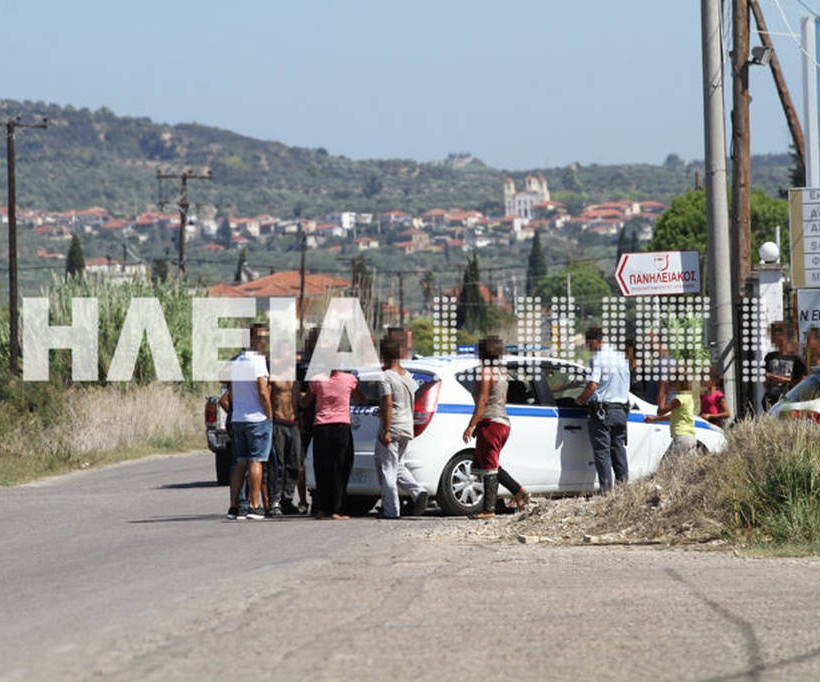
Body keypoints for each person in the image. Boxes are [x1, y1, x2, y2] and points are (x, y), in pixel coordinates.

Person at [462, 336, 529, 520]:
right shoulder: (502, 372)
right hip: (502, 422)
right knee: (489, 463)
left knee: (489, 466)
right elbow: (503, 400)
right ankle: (518, 491)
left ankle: (489, 509)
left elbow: (482, 400)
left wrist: (471, 425)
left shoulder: (485, 372)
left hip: (491, 422)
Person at [374, 337, 428, 519]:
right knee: (399, 467)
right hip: (407, 426)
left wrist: (386, 429)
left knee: (388, 469)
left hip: (393, 426)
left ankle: (391, 511)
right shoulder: (408, 376)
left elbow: (387, 404)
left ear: (383, 356)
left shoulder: (386, 377)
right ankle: (418, 491)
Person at [224, 323, 273, 520]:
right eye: (261, 338)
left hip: (239, 418)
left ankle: (234, 506)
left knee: (240, 462)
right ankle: (254, 505)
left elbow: (223, 380)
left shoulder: (236, 361)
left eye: (266, 338)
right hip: (256, 417)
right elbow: (262, 390)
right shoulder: (258, 360)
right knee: (256, 460)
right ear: (251, 340)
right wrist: (269, 414)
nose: (264, 342)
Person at [302, 368, 364, 520]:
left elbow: (305, 402)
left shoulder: (317, 379)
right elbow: (361, 399)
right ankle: (337, 509)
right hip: (341, 426)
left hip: (321, 427)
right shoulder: (349, 379)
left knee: (322, 467)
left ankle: (321, 508)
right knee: (341, 468)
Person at [575, 327, 631, 494]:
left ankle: (606, 491)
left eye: (588, 343)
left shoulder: (598, 358)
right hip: (621, 411)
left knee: (602, 452)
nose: (588, 347)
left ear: (594, 340)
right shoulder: (621, 357)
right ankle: (623, 490)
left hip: (602, 413)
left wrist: (580, 400)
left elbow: (593, 385)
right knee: (618, 449)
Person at [264, 378, 303, 517]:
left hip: (294, 423)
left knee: (295, 464)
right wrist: (269, 420)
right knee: (277, 465)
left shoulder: (297, 380)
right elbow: (266, 398)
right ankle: (274, 502)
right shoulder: (273, 379)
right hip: (278, 422)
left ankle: (287, 499)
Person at [645, 379, 697, 458]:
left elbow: (660, 411)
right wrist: (655, 419)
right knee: (685, 468)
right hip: (690, 438)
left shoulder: (679, 399)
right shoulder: (688, 397)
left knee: (665, 466)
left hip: (681, 438)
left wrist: (663, 390)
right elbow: (673, 416)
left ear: (679, 382)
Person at [762, 321, 806, 411]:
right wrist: (768, 379)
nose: (772, 338)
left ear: (783, 335)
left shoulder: (795, 358)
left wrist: (782, 379)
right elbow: (766, 384)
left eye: (775, 334)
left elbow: (802, 383)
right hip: (772, 400)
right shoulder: (770, 357)